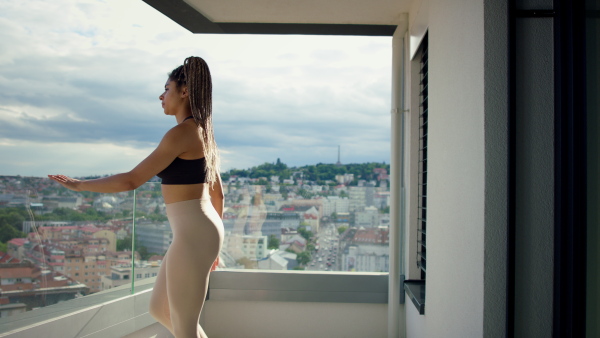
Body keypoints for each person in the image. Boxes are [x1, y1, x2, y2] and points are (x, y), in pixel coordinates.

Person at [48, 56, 224, 338]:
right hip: (199, 231)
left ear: (184, 91)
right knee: (160, 310)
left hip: (194, 233)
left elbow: (132, 180)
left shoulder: (182, 133)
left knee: (183, 323)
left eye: (166, 88)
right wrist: (213, 244)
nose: (161, 95)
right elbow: (218, 194)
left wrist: (80, 185)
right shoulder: (204, 132)